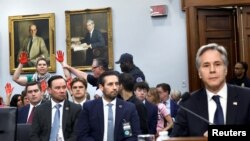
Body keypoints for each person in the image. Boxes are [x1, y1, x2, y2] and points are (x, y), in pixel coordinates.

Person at [171, 43, 250, 137]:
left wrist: (219, 133)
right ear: (199, 73)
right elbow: (176, 138)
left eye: (217, 64)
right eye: (206, 65)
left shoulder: (247, 97)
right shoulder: (188, 104)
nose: (212, 70)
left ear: (226, 69)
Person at [76, 71, 141, 141]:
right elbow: (82, 134)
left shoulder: (129, 108)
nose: (115, 87)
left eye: (117, 84)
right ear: (101, 87)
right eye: (110, 84)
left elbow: (134, 135)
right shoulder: (89, 107)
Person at [30, 75, 81, 141]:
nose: (62, 91)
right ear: (49, 90)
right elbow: (34, 134)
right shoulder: (40, 110)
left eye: (64, 87)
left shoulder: (75, 109)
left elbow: (76, 134)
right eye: (58, 88)